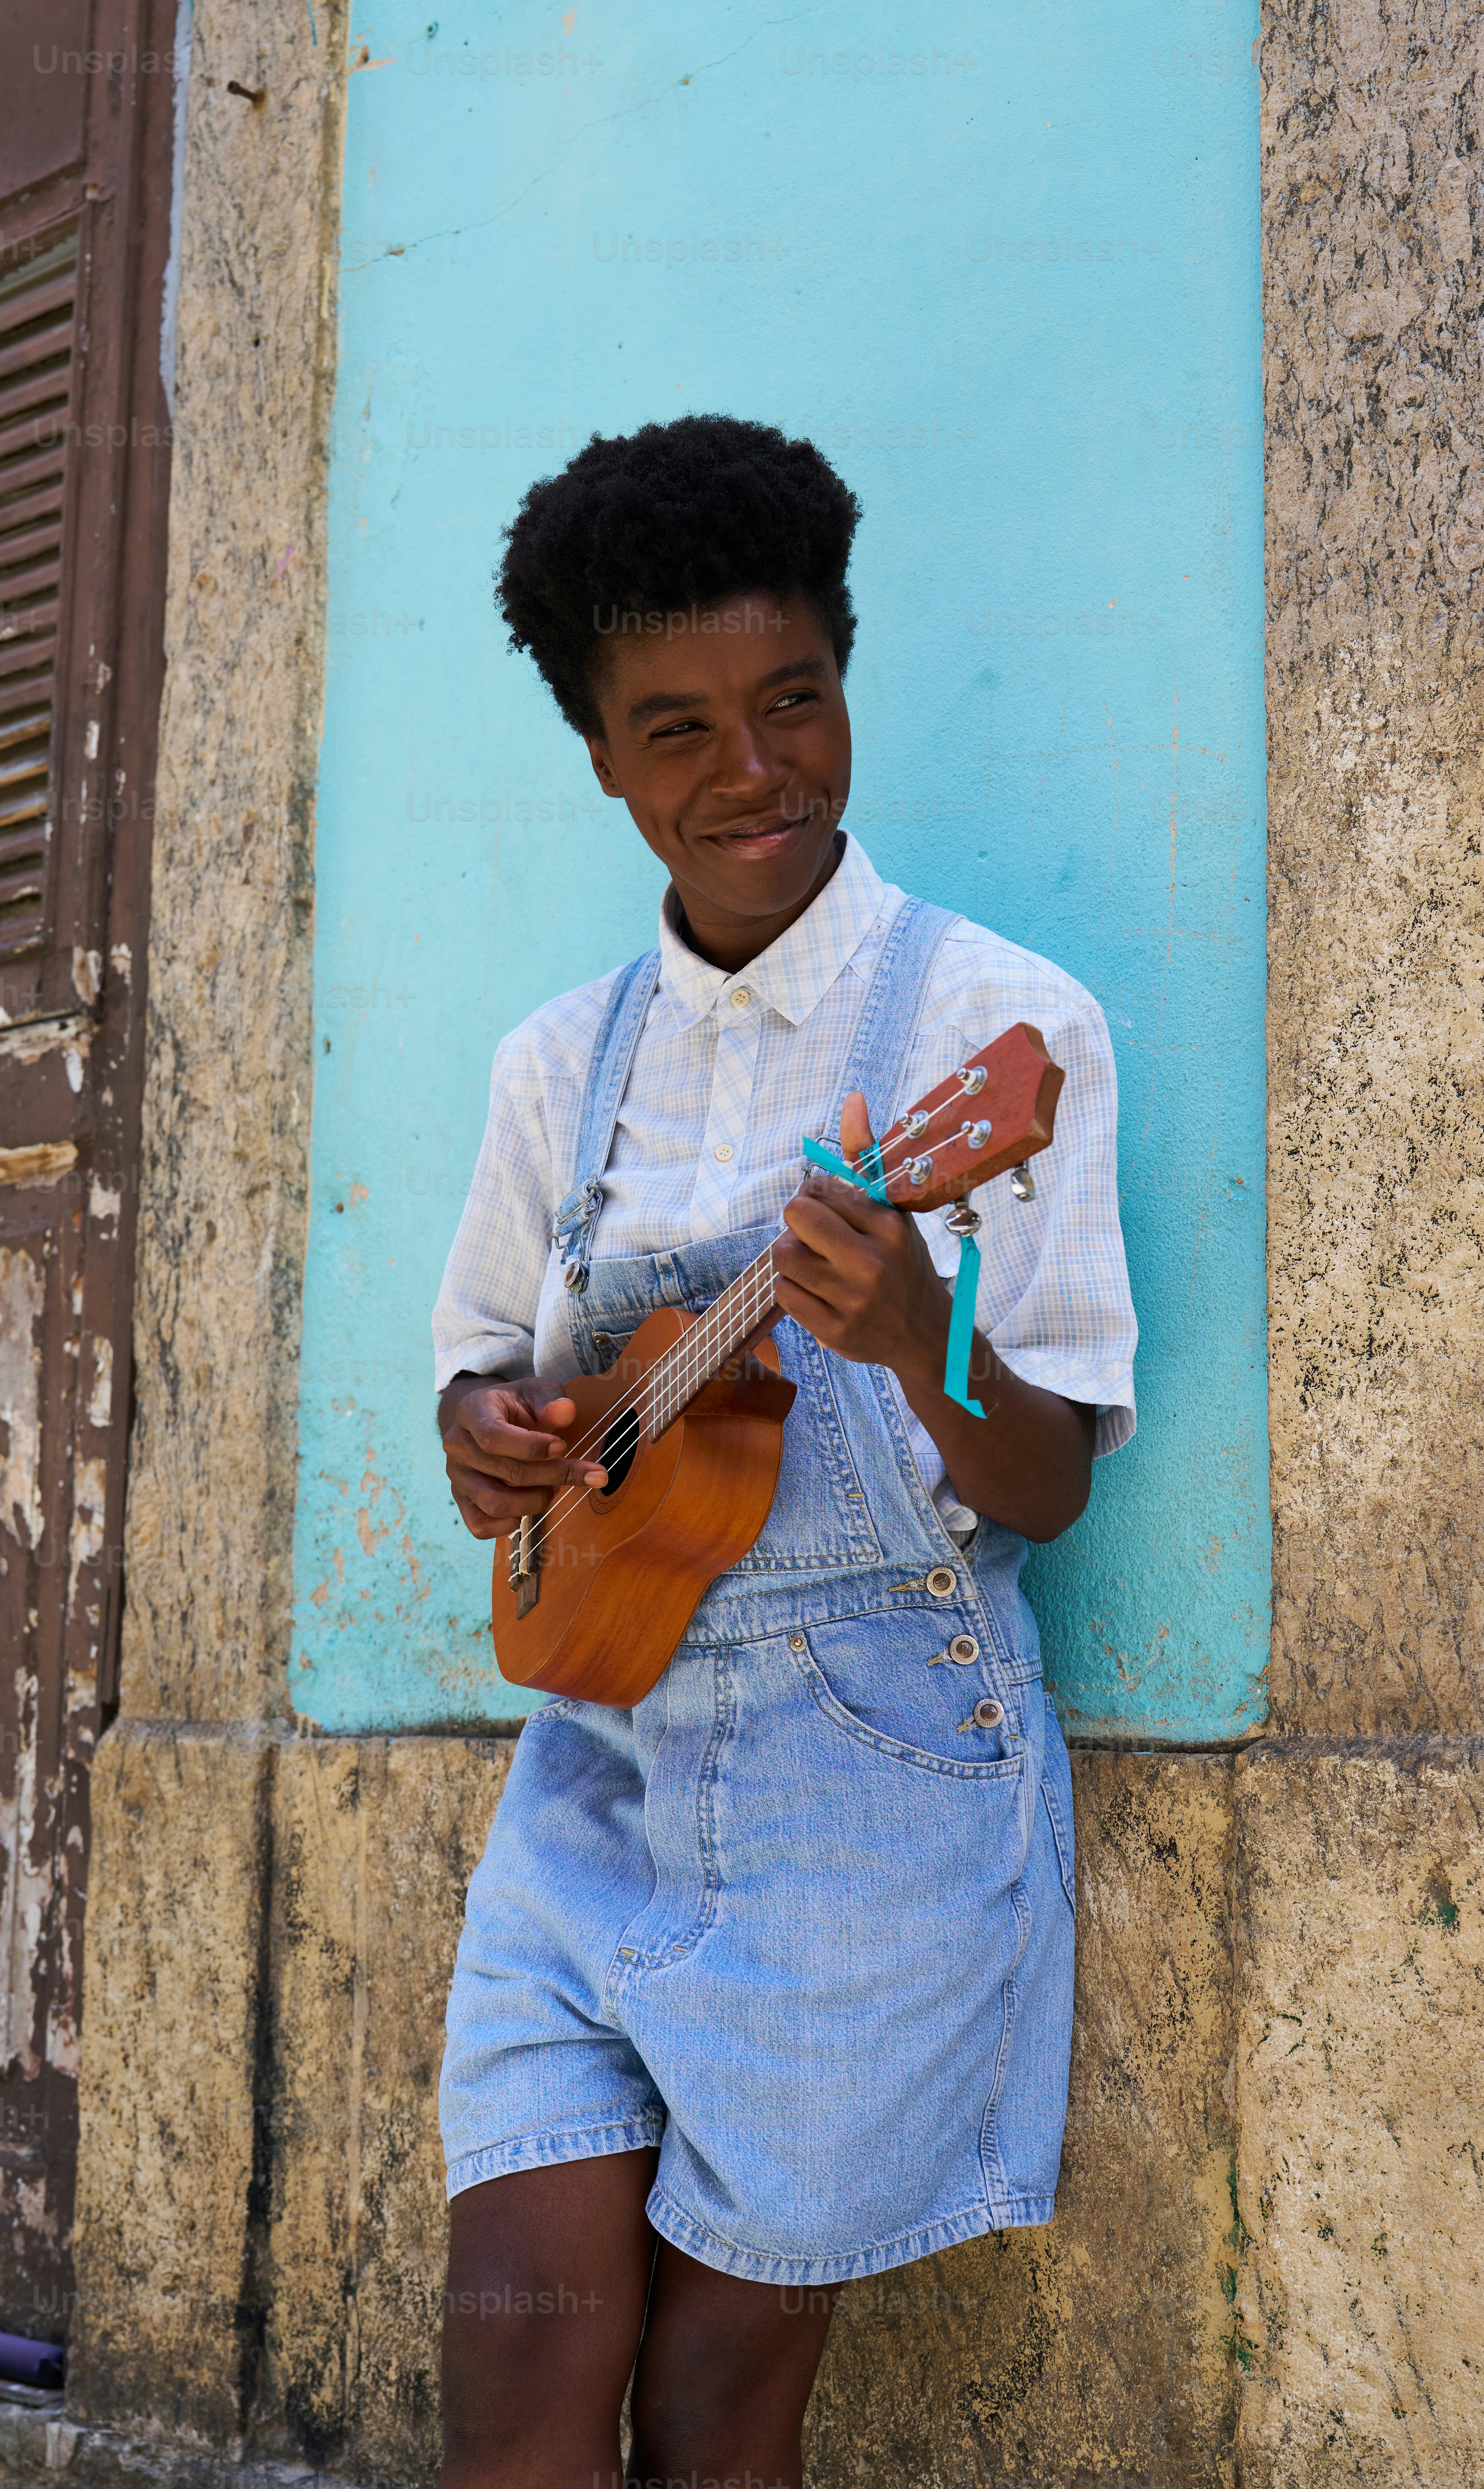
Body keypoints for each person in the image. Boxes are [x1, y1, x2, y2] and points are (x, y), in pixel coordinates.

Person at [432, 414, 1136, 2489]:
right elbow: (480, 1372)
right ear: (602, 763)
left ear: (843, 673)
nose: (752, 770)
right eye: (677, 730)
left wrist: (922, 1340)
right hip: (597, 1759)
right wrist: (490, 1437)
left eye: (793, 700)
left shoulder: (996, 1030)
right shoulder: (560, 1066)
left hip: (871, 1780)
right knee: (517, 2370)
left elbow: (1047, 1486)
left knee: (724, 2413)